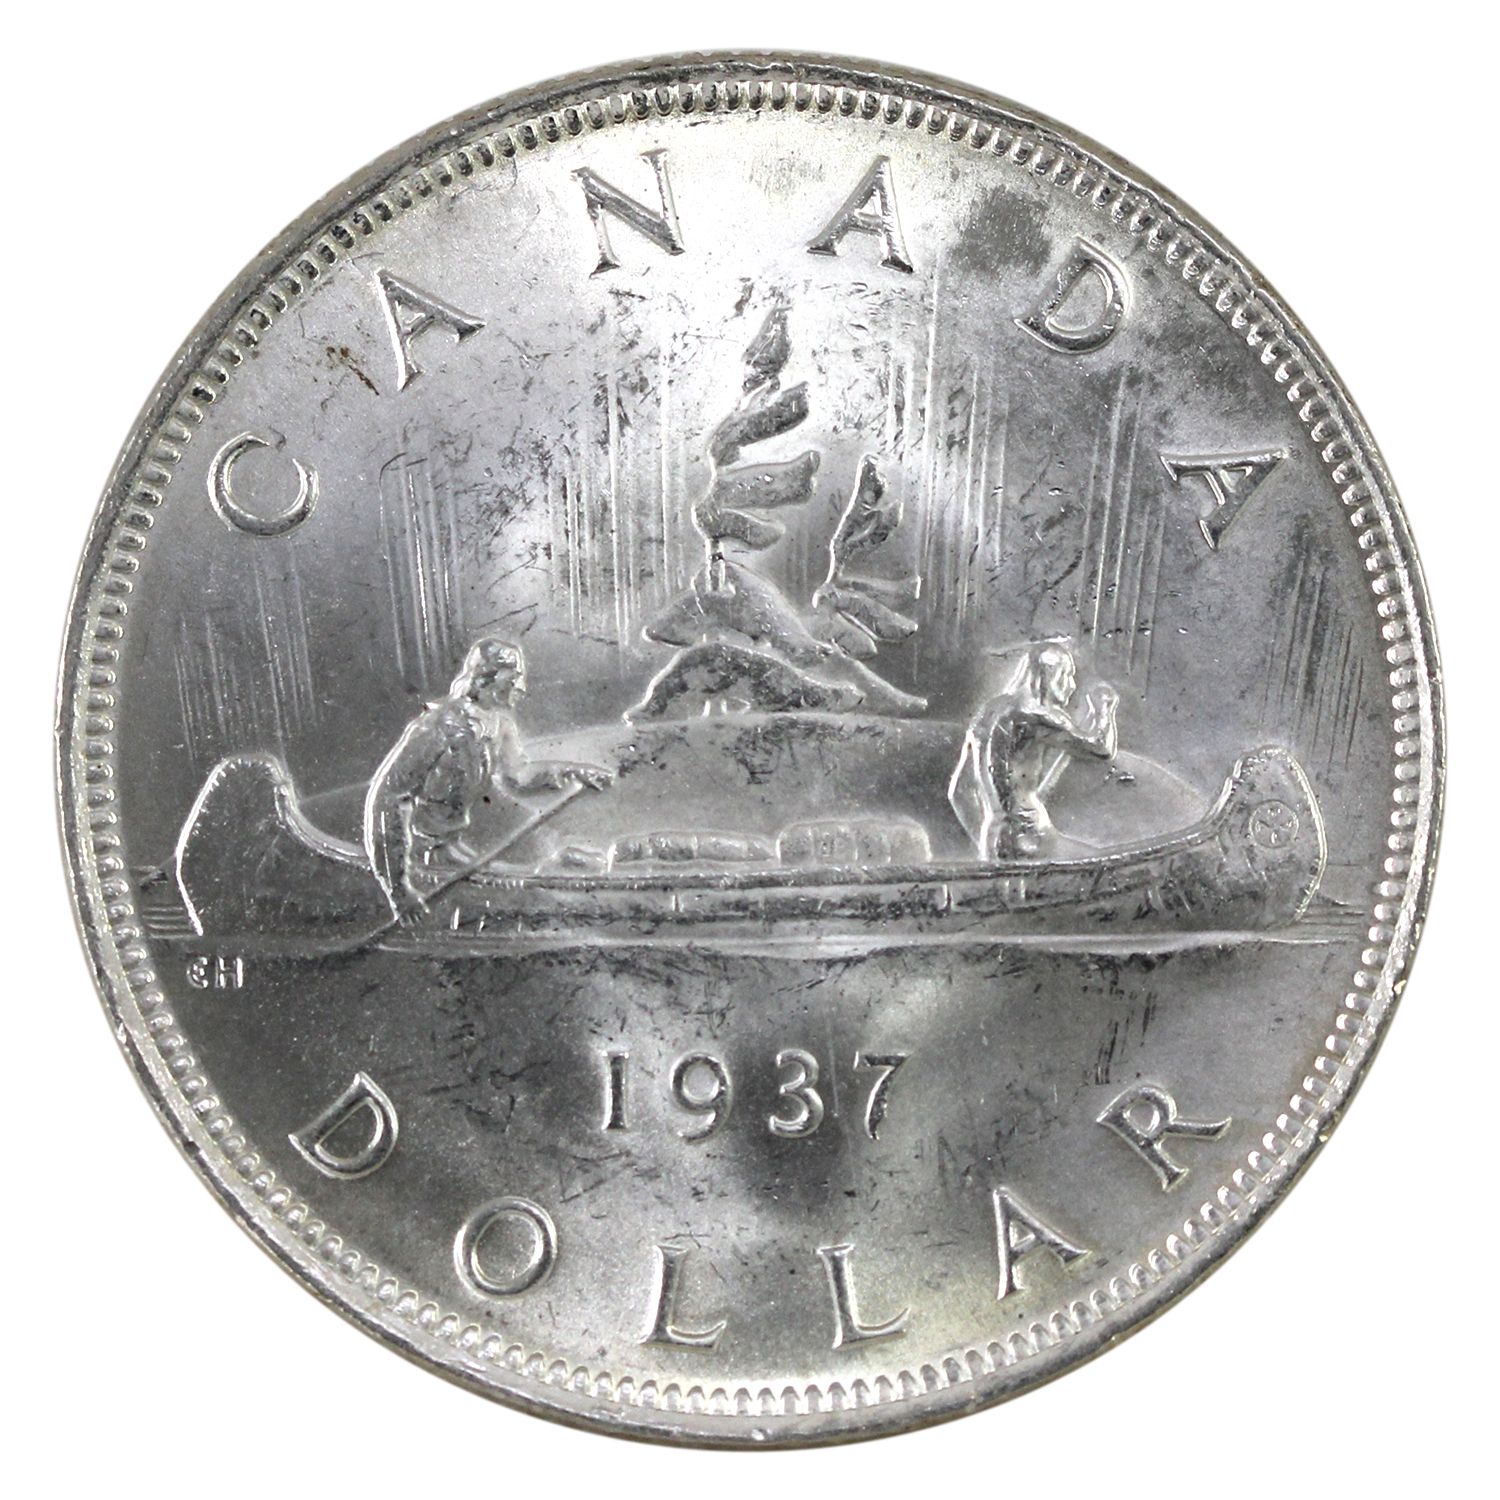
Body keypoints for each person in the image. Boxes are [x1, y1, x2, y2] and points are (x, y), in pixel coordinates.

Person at [363, 637, 613, 917]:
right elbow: (388, 796)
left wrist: (572, 772)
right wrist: (398, 890)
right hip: (422, 855)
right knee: (524, 888)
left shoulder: (499, 724)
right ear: (489, 677)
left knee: (547, 869)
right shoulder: (441, 726)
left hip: (454, 849)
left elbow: (518, 775)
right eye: (514, 677)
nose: (521, 687)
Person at [948, 641, 1118, 860]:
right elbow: (1101, 749)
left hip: (994, 836)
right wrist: (1104, 709)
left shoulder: (988, 712)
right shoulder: (1038, 716)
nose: (1072, 685)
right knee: (1102, 866)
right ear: (1050, 677)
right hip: (1029, 831)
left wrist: (990, 839)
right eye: (1067, 675)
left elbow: (958, 791)